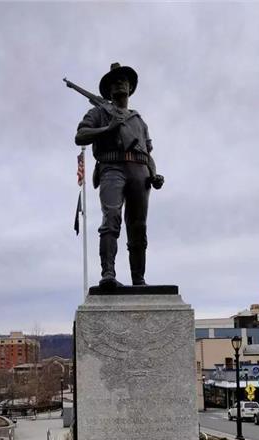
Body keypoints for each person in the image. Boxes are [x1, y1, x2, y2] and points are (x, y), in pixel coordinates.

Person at [75, 63, 164, 288]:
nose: (120, 83)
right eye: (115, 81)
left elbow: (148, 154)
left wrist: (154, 174)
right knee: (111, 216)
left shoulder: (139, 121)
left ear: (131, 87)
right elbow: (81, 136)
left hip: (140, 172)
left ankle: (138, 280)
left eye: (124, 80)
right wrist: (108, 129)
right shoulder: (98, 112)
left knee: (138, 227)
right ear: (109, 90)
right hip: (112, 167)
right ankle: (108, 273)